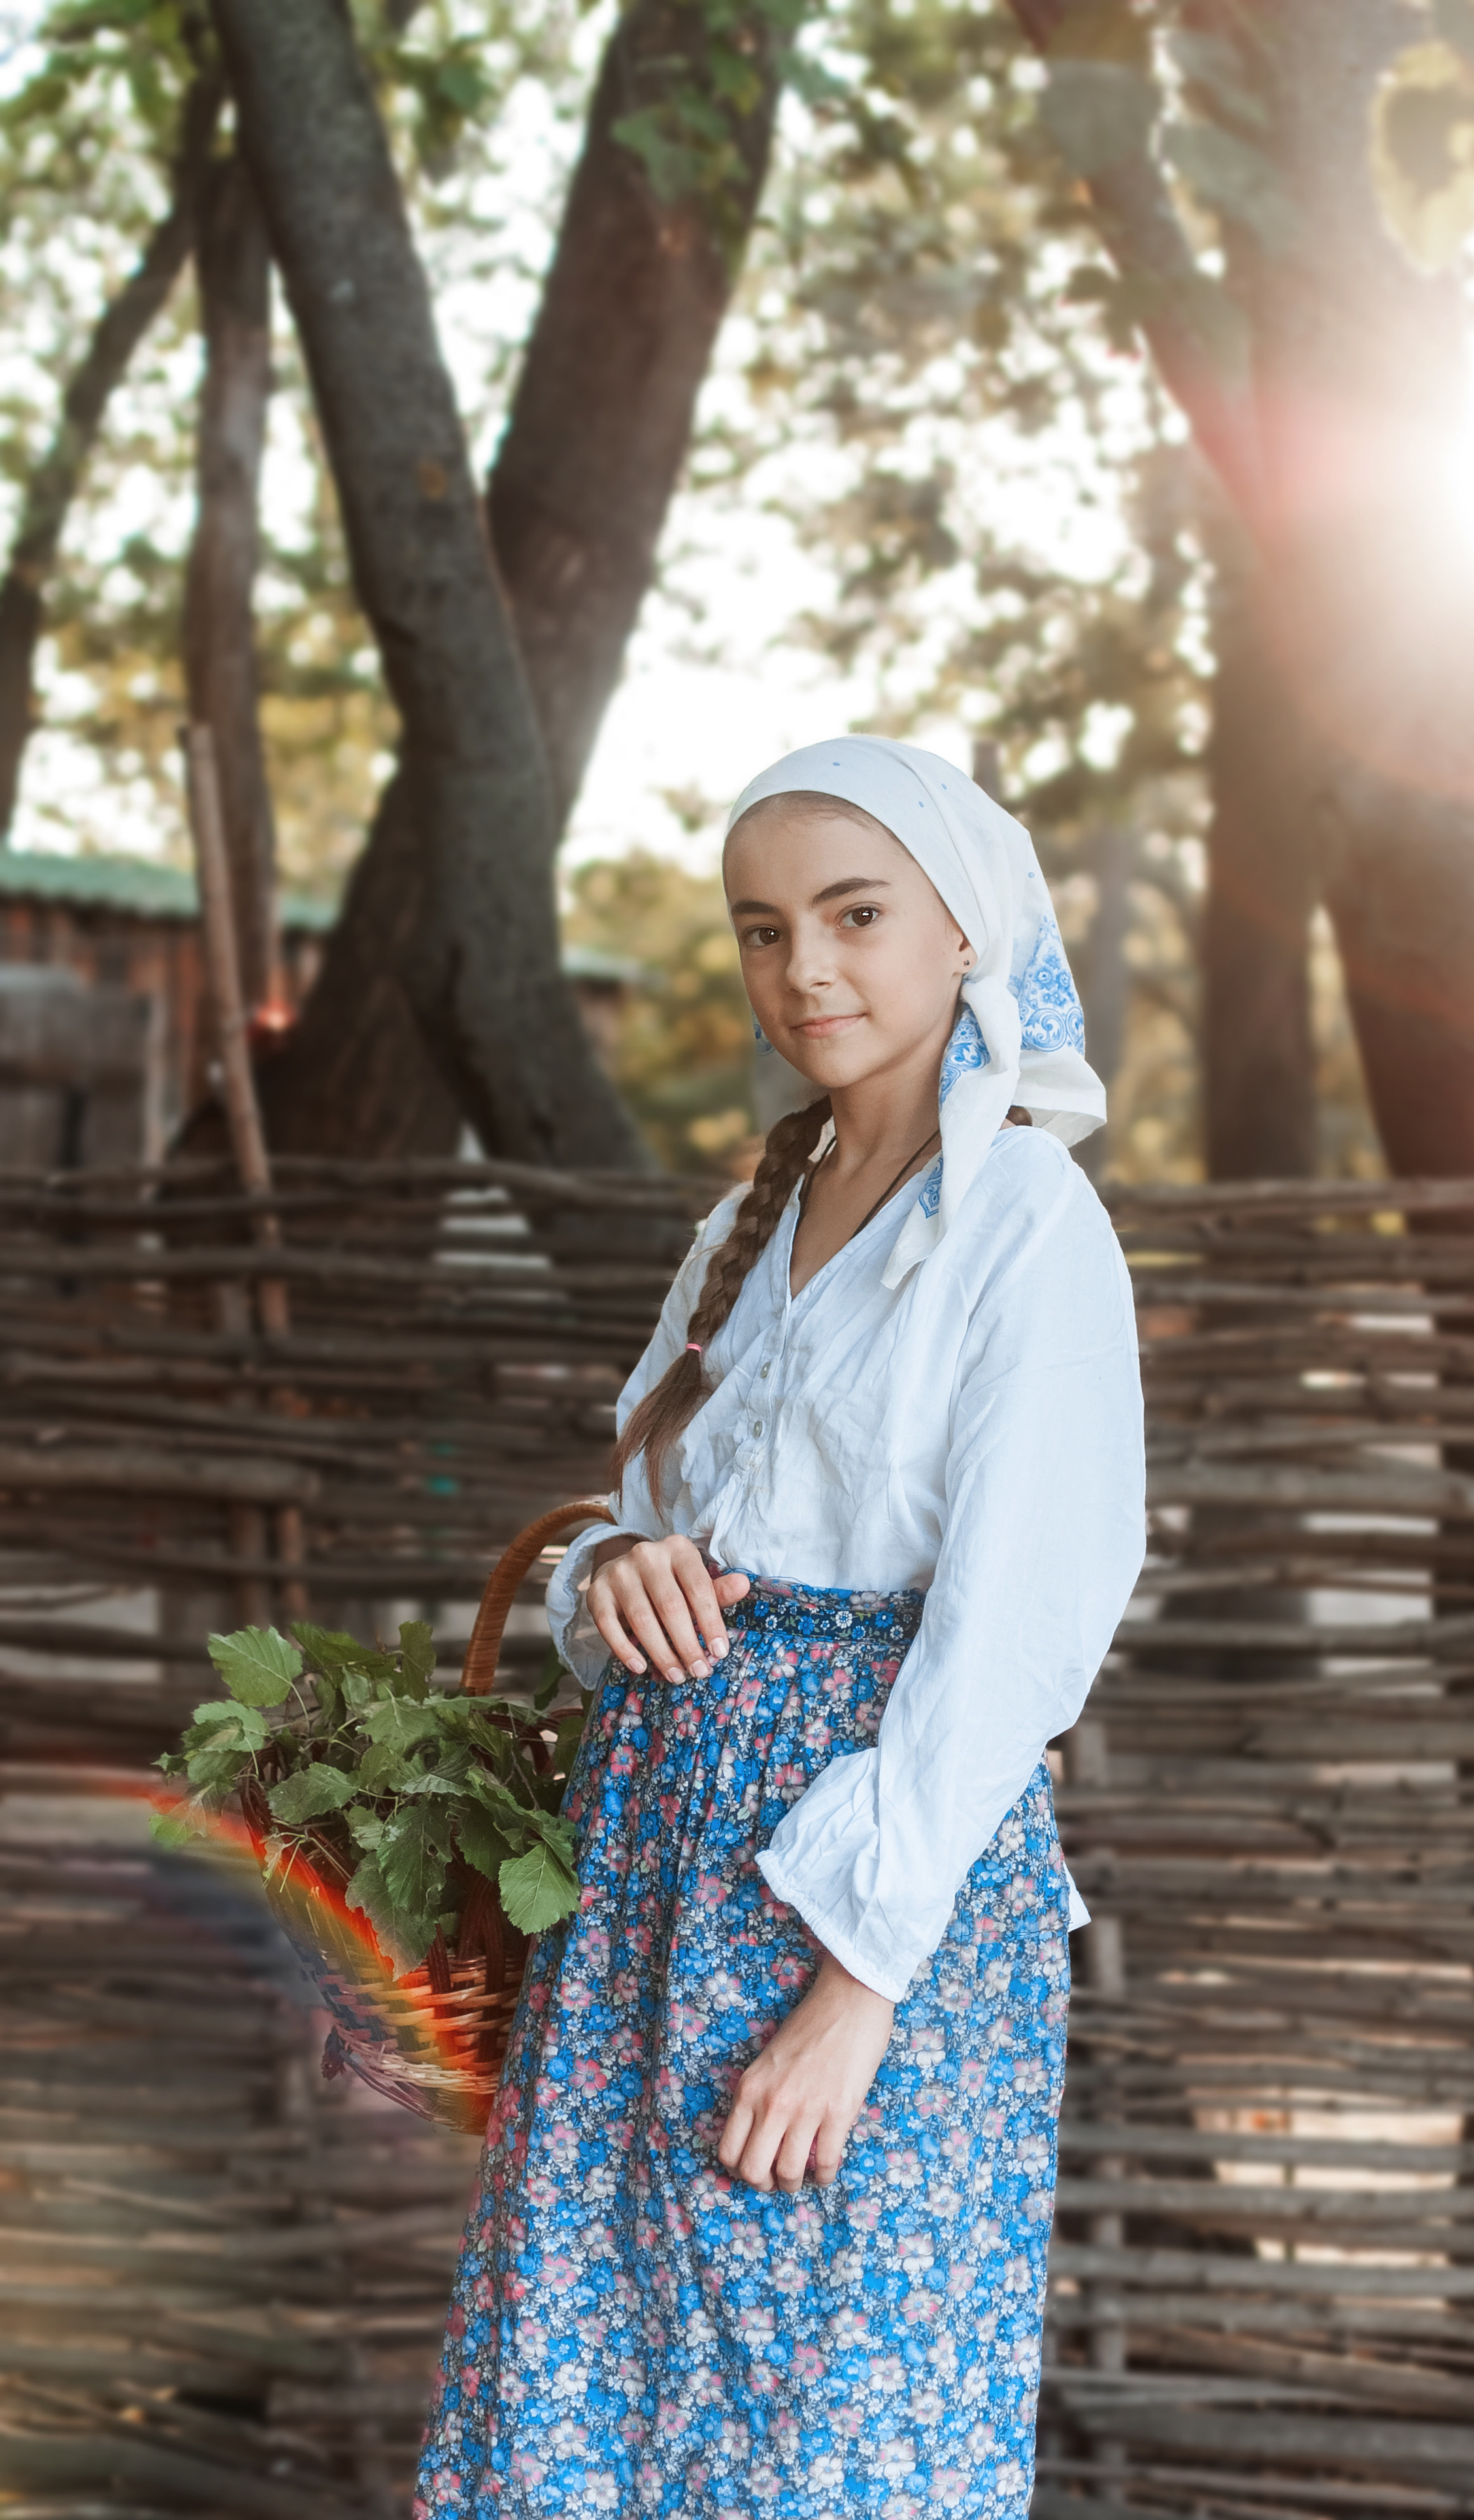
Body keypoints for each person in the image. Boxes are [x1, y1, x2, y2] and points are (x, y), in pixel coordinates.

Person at [416, 738, 1146, 2519]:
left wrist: (858, 1991)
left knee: (820, 2430)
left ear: (966, 931)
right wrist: (610, 1569)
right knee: (585, 2390)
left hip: (859, 1906)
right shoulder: (744, 1223)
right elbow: (650, 1524)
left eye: (855, 914)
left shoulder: (1027, 1229)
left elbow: (1020, 1633)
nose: (803, 968)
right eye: (762, 930)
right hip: (649, 1885)